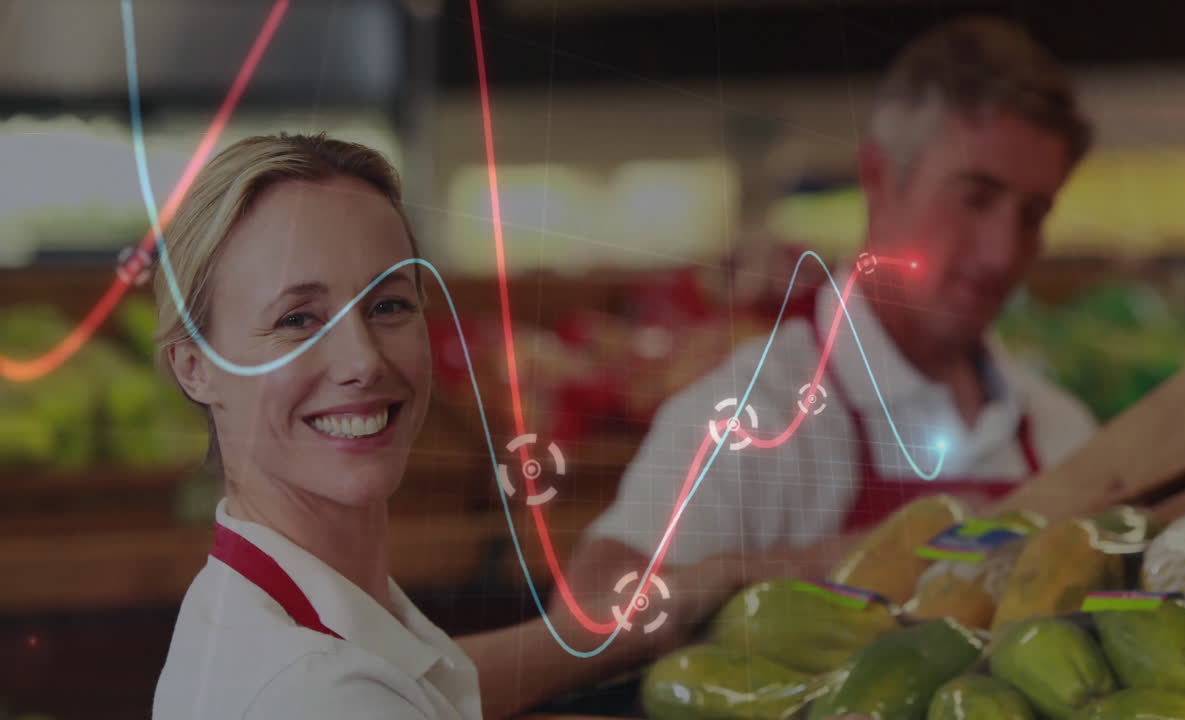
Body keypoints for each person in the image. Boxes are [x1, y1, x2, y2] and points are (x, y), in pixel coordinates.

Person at [151, 133, 747, 719]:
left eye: (389, 306)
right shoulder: (314, 689)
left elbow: (442, 686)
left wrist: (671, 603)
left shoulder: (281, 610)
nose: (362, 361)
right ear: (195, 368)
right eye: (297, 319)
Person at [564, 16, 1098, 608]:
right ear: (878, 178)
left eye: (1033, 214)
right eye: (975, 197)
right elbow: (588, 608)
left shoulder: (1062, 433)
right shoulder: (751, 419)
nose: (1003, 252)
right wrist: (829, 561)